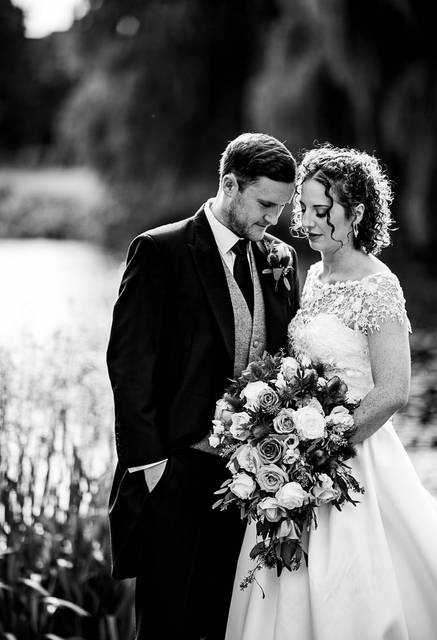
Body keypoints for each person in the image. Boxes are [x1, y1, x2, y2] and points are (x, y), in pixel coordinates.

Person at [225, 146, 437, 640]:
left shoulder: (379, 286)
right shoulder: (312, 274)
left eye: (320, 211)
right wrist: (288, 444)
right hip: (295, 460)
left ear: (354, 214)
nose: (305, 223)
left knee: (355, 591)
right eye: (303, 209)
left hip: (353, 457)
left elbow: (395, 389)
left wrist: (323, 449)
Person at [106, 133, 301, 639]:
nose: (273, 220)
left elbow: (287, 363)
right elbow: (129, 368)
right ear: (230, 185)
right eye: (264, 204)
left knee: (225, 624)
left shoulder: (278, 260)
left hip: (251, 481)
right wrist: (152, 468)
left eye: (280, 208)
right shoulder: (159, 251)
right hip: (174, 472)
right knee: (166, 624)